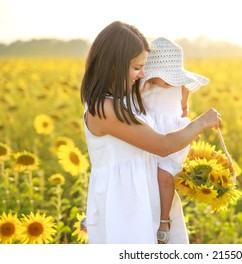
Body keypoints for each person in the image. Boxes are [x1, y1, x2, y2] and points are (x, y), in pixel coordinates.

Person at [80, 21, 221, 244]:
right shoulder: (104, 109)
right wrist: (202, 122)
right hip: (125, 209)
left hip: (143, 198)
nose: (142, 74)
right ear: (113, 65)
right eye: (137, 67)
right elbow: (162, 145)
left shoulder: (127, 100)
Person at [140, 37, 209, 244]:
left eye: (173, 76)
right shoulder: (144, 87)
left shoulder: (182, 87)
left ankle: (164, 221)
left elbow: (184, 109)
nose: (170, 81)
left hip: (174, 135)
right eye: (165, 76)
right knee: (143, 178)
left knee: (165, 177)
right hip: (149, 135)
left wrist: (188, 130)